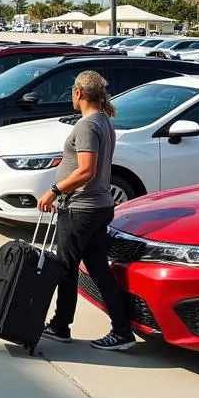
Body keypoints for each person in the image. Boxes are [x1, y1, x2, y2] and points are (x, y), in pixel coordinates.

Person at [40, 70, 135, 351]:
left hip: (82, 209)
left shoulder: (87, 125)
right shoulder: (104, 121)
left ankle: (60, 325)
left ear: (78, 93)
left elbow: (86, 170)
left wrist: (55, 190)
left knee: (65, 269)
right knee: (99, 271)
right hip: (99, 206)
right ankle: (122, 331)